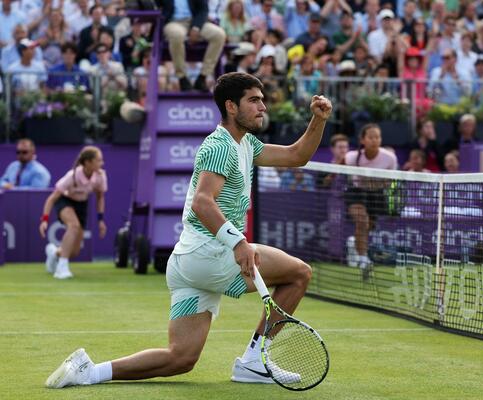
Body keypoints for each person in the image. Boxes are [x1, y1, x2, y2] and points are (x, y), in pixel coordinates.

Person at [44, 72, 332, 388]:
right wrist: (238, 243)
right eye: (253, 100)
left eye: (262, 99)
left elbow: (296, 155)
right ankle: (254, 360)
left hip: (187, 263)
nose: (262, 106)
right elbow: (202, 202)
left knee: (180, 358)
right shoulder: (220, 146)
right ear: (231, 107)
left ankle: (90, 372)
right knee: (299, 273)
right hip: (211, 253)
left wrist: (318, 120)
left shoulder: (247, 143)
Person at [39, 146, 107, 280]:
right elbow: (52, 198)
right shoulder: (72, 176)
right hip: (65, 201)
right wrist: (44, 220)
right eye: (98, 160)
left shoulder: (100, 176)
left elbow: (100, 198)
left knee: (74, 251)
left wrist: (100, 220)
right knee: (73, 225)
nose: (102, 163)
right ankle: (61, 269)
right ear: (88, 162)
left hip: (82, 205)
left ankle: (54, 253)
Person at [344, 123, 397, 281]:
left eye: (378, 137)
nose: (375, 140)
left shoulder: (389, 158)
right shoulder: (352, 157)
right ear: (363, 140)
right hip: (357, 192)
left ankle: (356, 245)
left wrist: (376, 183)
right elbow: (342, 168)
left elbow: (389, 182)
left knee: (368, 227)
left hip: (377, 195)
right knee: (362, 221)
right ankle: (363, 260)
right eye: (371, 137)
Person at [161, 0, 226, 92]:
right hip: (173, 22)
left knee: (219, 35)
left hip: (195, 21)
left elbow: (203, 9)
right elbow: (154, 6)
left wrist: (196, 27)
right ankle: (182, 77)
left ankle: (203, 77)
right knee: (177, 35)